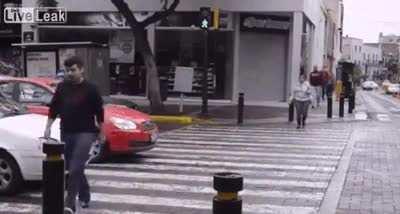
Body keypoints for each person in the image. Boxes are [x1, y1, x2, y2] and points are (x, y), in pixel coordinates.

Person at [43, 56, 104, 214]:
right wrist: (48, 127)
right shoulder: (62, 87)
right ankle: (84, 194)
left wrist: (101, 132)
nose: (70, 73)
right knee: (72, 167)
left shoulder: (91, 88)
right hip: (67, 131)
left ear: (81, 69)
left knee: (76, 166)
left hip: (86, 132)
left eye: (73, 70)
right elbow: (54, 108)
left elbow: (100, 112)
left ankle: (69, 204)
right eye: (67, 70)